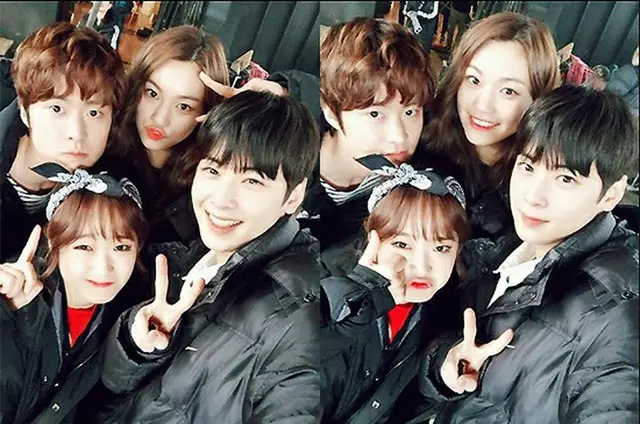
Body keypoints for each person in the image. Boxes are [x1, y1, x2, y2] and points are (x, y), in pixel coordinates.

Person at [91, 91, 325, 423]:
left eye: (252, 181)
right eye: (213, 171)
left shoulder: (294, 311)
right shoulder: (195, 252)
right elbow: (116, 388)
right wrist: (139, 345)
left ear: (293, 197)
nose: (221, 200)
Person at [417, 84, 639, 424]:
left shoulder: (617, 312)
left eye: (565, 179)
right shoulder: (508, 243)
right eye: (528, 167)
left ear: (611, 195)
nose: (533, 196)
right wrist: (446, 364)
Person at [320, 155, 470, 424]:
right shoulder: (320, 284)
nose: (421, 266)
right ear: (373, 239)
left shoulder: (440, 316)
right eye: (402, 244)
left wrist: (441, 380)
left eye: (441, 248)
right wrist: (360, 293)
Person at [0, 165, 147, 424]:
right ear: (54, 244)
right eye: (84, 247)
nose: (103, 268)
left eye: (121, 247)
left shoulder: (123, 322)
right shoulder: (13, 293)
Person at [306, 17, 436, 275]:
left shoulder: (423, 178)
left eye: (410, 112)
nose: (399, 137)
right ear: (331, 112)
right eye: (375, 114)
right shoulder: (291, 166)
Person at [422, 12, 560, 242]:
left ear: (538, 100)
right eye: (474, 80)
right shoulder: (419, 140)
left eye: (508, 91)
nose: (483, 105)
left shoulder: (541, 185)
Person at [0, 22, 127, 262]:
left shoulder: (108, 183)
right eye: (57, 109)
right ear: (24, 111)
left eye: (93, 113)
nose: (77, 133)